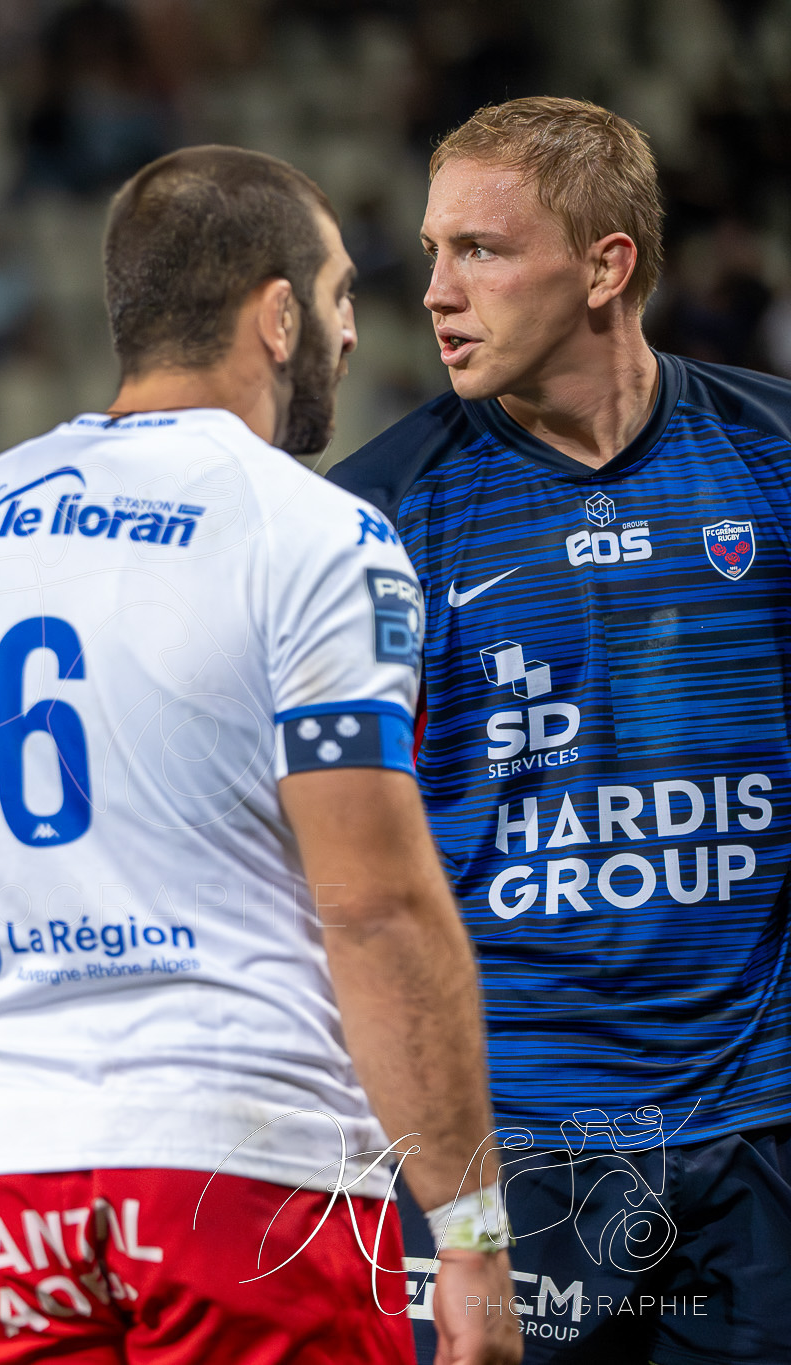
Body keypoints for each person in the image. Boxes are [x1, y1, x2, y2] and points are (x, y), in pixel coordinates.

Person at [0, 145, 522, 1365]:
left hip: (8, 1201)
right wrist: (466, 1229)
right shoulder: (313, 535)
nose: (353, 334)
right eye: (344, 294)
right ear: (277, 313)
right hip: (251, 1185)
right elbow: (373, 906)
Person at [329, 96, 791, 1365]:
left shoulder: (770, 462)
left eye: (477, 250)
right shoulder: (368, 519)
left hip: (761, 1126)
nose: (432, 290)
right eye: (429, 252)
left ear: (604, 267)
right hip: (512, 1146)